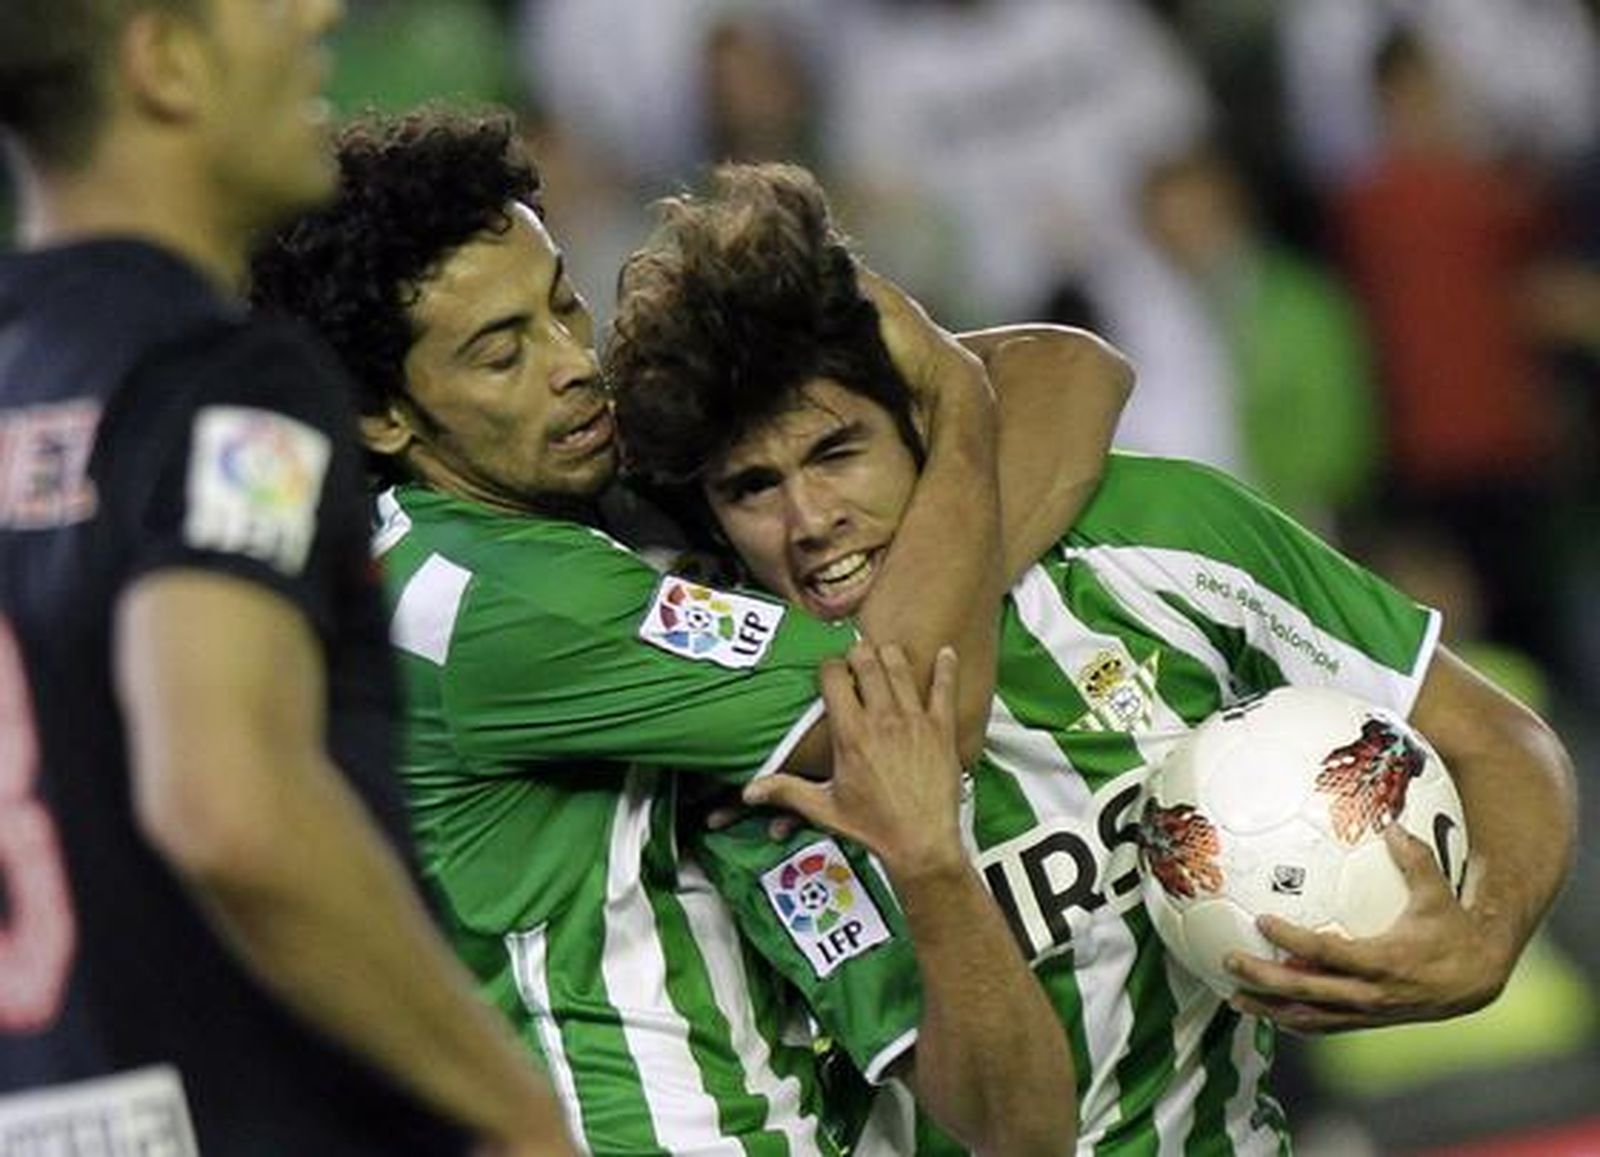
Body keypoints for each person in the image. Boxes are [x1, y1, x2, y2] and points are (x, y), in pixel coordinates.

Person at [604, 161, 1580, 1155]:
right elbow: (1013, 1132)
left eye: (836, 452)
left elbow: (1493, 733)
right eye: (752, 488)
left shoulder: (1155, 529)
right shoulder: (758, 750)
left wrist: (1489, 929)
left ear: (917, 420)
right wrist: (931, 858)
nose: (810, 520)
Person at [248, 105, 1133, 1157]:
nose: (571, 364)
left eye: (563, 304)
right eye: (500, 354)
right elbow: (919, 715)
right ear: (382, 415)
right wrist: (953, 399)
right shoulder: (496, 596)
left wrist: (950, 478)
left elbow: (1073, 374)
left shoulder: (553, 494)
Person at [0, 4, 572, 1155]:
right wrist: (511, 1109)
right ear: (166, 62)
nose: (318, 13)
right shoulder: (228, 385)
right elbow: (226, 798)